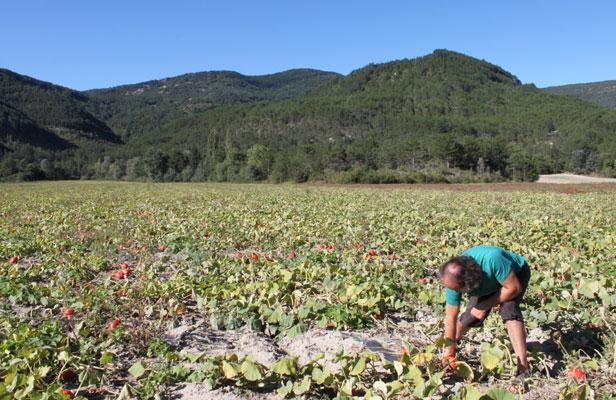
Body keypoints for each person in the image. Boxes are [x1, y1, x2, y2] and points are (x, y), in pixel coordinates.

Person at [439, 245, 531, 379]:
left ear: (469, 284)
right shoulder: (452, 278)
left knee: (509, 310)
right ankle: (449, 350)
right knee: (470, 317)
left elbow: (514, 288)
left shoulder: (493, 259)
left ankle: (523, 368)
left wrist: (485, 305)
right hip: (484, 280)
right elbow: (450, 317)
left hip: (515, 275)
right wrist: (449, 351)